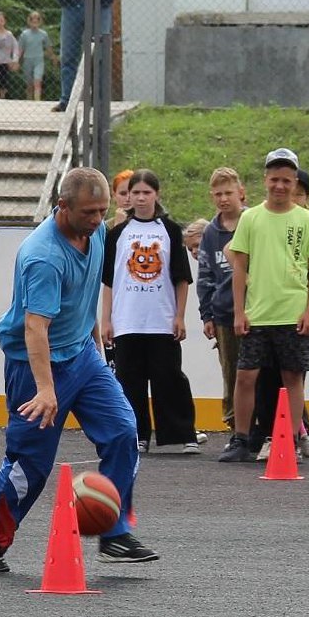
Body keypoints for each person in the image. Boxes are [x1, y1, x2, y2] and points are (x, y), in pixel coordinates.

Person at [0, 167, 157, 572]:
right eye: (89, 212)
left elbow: (84, 298)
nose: (99, 220)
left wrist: (99, 353)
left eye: (103, 210)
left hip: (82, 354)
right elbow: (35, 328)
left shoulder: (96, 231)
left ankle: (114, 531)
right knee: (31, 464)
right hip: (36, 366)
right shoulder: (43, 257)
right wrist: (46, 390)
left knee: (123, 432)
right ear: (62, 206)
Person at [216, 149, 309, 464]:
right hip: (258, 313)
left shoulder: (307, 220)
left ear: (295, 183)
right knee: (245, 376)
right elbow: (239, 267)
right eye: (274, 179)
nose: (280, 186)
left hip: (292, 312)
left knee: (293, 377)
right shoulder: (251, 218)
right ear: (265, 180)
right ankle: (241, 438)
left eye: (286, 180)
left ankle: (289, 438)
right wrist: (239, 310)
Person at [98, 168, 198, 453]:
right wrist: (106, 319)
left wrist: (179, 316)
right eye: (135, 193)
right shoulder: (117, 234)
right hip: (127, 320)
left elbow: (181, 277)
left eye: (146, 192)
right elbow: (109, 280)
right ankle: (136, 434)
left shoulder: (169, 230)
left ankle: (180, 434)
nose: (140, 198)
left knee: (169, 377)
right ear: (127, 196)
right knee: (130, 381)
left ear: (157, 194)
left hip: (161, 319)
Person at [197, 168, 244, 432]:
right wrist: (207, 314)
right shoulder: (211, 233)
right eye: (218, 194)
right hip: (224, 313)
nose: (223, 199)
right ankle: (235, 423)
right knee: (231, 371)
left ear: (241, 192)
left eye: (228, 193)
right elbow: (205, 275)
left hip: (255, 311)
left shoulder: (253, 223)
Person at [18, 11, 49, 100]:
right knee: (29, 84)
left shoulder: (43, 34)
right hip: (27, 59)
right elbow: (20, 49)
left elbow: (48, 47)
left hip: (39, 60)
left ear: (40, 22)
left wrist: (53, 57)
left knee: (37, 81)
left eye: (37, 20)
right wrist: (16, 61)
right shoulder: (24, 34)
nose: (35, 22)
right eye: (32, 20)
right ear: (29, 21)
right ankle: (29, 101)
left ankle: (37, 101)